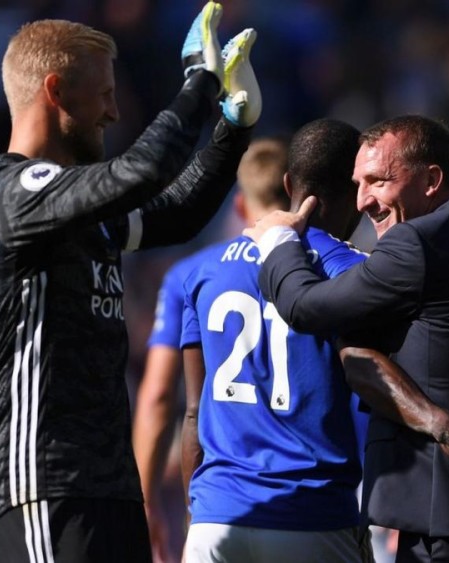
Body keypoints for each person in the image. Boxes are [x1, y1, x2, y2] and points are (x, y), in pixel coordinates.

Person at [0, 3, 262, 561]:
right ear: (55, 91)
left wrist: (232, 129)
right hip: (44, 482)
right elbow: (141, 172)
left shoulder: (71, 203)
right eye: (103, 94)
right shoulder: (12, 191)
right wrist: (198, 83)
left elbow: (175, 214)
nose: (113, 111)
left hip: (109, 484)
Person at [247, 115, 449, 562]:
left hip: (446, 522)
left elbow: (304, 307)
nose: (363, 201)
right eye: (357, 184)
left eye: (378, 181)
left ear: (431, 180)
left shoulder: (416, 244)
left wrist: (278, 242)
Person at [175, 119, 374, 562]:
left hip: (216, 519)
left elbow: (192, 413)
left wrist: (197, 517)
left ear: (289, 184)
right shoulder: (351, 270)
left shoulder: (204, 272)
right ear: (357, 193)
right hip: (312, 514)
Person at [132, 136, 291, 562]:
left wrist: (147, 502)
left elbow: (159, 395)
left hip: (221, 509)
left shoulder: (191, 274)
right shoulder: (327, 266)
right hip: (306, 506)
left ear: (239, 205)